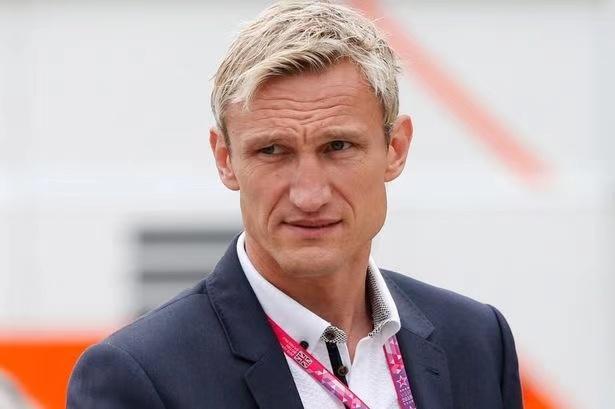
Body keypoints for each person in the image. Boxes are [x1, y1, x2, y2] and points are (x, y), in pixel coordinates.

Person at [68, 1, 523, 408]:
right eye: (272, 151)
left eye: (338, 146)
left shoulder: (477, 340)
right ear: (225, 160)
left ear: (396, 148)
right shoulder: (141, 376)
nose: (309, 195)